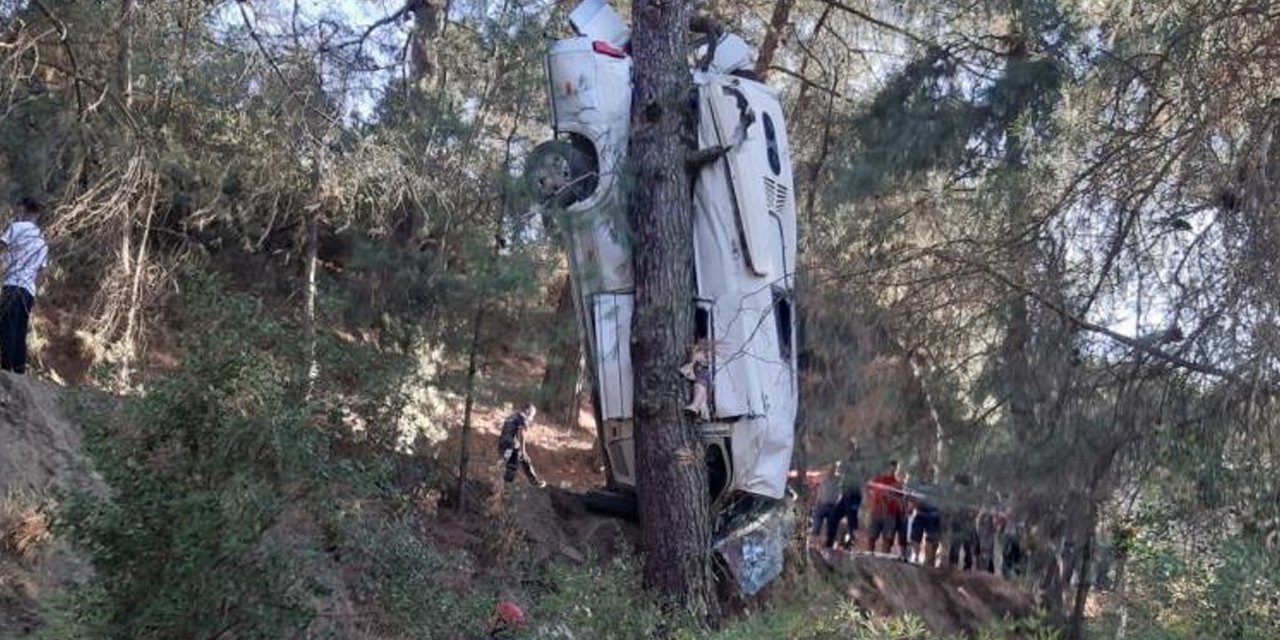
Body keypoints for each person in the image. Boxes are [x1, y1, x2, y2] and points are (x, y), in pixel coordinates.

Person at [0, 197, 48, 374]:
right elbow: (41, 271)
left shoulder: (16, 228)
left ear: (24, 210)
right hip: (28, 290)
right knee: (20, 328)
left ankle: (5, 369)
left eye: (20, 209)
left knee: (6, 325)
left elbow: (1, 246)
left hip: (12, 283)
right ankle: (19, 370)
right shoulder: (42, 240)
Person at [497, 404, 546, 487]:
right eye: (532, 415)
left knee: (512, 462)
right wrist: (523, 451)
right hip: (511, 445)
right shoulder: (522, 417)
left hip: (502, 445)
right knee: (521, 459)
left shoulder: (511, 416)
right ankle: (533, 480)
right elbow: (521, 433)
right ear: (528, 411)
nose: (532, 418)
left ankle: (504, 463)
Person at [864, 460, 904, 554]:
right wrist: (869, 504)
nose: (892, 469)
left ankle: (884, 558)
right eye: (891, 467)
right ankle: (869, 556)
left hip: (890, 514)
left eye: (895, 468)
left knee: (887, 539)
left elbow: (900, 499)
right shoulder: (877, 479)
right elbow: (868, 490)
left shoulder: (897, 484)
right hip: (876, 511)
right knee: (872, 536)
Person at [945, 474, 980, 570]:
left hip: (967, 523)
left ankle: (966, 568)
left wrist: (972, 514)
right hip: (957, 523)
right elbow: (949, 506)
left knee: (967, 548)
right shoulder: (955, 492)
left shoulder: (971, 494)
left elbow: (976, 509)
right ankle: (954, 568)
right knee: (956, 547)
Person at [810, 461, 843, 548]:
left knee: (831, 529)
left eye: (833, 468)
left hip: (833, 506)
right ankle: (813, 545)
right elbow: (814, 486)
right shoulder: (821, 477)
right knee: (816, 526)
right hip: (821, 505)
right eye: (830, 468)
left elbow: (842, 491)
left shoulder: (839, 479)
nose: (831, 470)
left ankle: (829, 546)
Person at [909, 486, 943, 567]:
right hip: (920, 512)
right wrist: (912, 506)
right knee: (915, 536)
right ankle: (916, 557)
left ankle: (927, 560)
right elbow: (912, 497)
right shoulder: (918, 483)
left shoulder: (938, 484)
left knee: (931, 538)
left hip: (934, 514)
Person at [680, 340, 712, 420]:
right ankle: (700, 409)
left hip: (706, 385)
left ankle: (696, 406)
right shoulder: (698, 367)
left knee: (702, 379)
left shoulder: (704, 372)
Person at [837, 475, 862, 549]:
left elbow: (855, 509)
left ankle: (849, 543)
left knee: (849, 530)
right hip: (843, 520)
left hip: (850, 520)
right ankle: (841, 543)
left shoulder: (856, 496)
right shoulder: (842, 495)